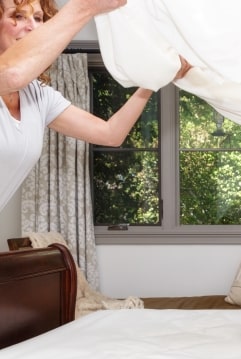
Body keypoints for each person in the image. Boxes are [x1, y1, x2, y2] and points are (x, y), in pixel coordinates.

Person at [0, 0, 192, 211]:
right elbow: (12, 75)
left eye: (38, 18)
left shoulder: (37, 95)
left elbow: (110, 134)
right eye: (18, 16)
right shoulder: (12, 78)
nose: (32, 26)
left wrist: (153, 81)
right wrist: (85, 6)